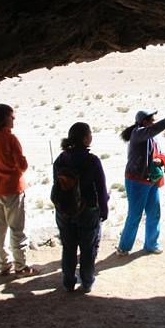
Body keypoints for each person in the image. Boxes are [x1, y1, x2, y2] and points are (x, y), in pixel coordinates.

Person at [116, 106, 165, 255]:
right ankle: (124, 247)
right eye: (152, 120)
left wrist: (160, 161)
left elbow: (160, 153)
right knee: (135, 215)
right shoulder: (137, 133)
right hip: (136, 181)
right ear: (144, 122)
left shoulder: (152, 138)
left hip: (151, 180)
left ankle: (151, 244)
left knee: (154, 213)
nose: (154, 122)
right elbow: (152, 130)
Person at [0, 104, 39, 277]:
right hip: (13, 189)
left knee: (0, 229)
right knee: (17, 229)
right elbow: (22, 165)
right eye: (11, 116)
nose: (13, 119)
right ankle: (20, 266)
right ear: (3, 118)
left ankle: (4, 263)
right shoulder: (10, 139)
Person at [51, 122, 109, 293]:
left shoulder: (61, 159)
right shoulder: (92, 160)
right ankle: (87, 281)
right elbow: (101, 188)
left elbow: (57, 185)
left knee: (68, 247)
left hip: (64, 210)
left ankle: (68, 282)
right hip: (88, 210)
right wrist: (104, 209)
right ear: (85, 139)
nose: (91, 136)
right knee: (87, 248)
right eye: (90, 134)